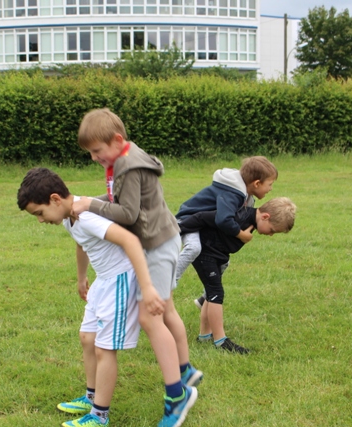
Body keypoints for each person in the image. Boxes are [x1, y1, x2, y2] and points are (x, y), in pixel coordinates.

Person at [72, 108, 200, 427]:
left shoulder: (128, 166)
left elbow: (127, 213)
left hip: (157, 246)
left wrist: (89, 204)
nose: (94, 158)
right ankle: (184, 371)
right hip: (162, 240)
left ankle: (177, 396)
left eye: (97, 151)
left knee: (150, 317)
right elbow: (118, 199)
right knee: (165, 310)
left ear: (117, 140)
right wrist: (89, 200)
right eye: (90, 153)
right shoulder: (123, 159)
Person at [17, 167, 163, 427]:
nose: (40, 220)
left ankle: (99, 415)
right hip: (103, 280)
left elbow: (130, 241)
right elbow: (81, 243)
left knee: (104, 348)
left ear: (55, 199)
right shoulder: (69, 217)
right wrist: (81, 277)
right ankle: (91, 396)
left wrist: (147, 286)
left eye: (39, 213)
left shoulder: (86, 217)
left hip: (119, 280)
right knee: (87, 338)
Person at [178, 197, 296, 354]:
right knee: (216, 293)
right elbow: (202, 217)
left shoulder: (250, 221)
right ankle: (221, 341)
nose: (271, 235)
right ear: (265, 217)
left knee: (211, 293)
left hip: (217, 256)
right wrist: (177, 230)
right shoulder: (238, 216)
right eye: (272, 230)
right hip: (205, 254)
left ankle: (204, 336)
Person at [174, 156, 278, 308]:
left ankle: (205, 297)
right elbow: (224, 220)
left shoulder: (246, 197)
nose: (271, 189)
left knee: (223, 261)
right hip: (188, 220)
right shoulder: (232, 194)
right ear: (256, 183)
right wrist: (241, 234)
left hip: (204, 224)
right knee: (194, 248)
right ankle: (168, 281)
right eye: (270, 184)